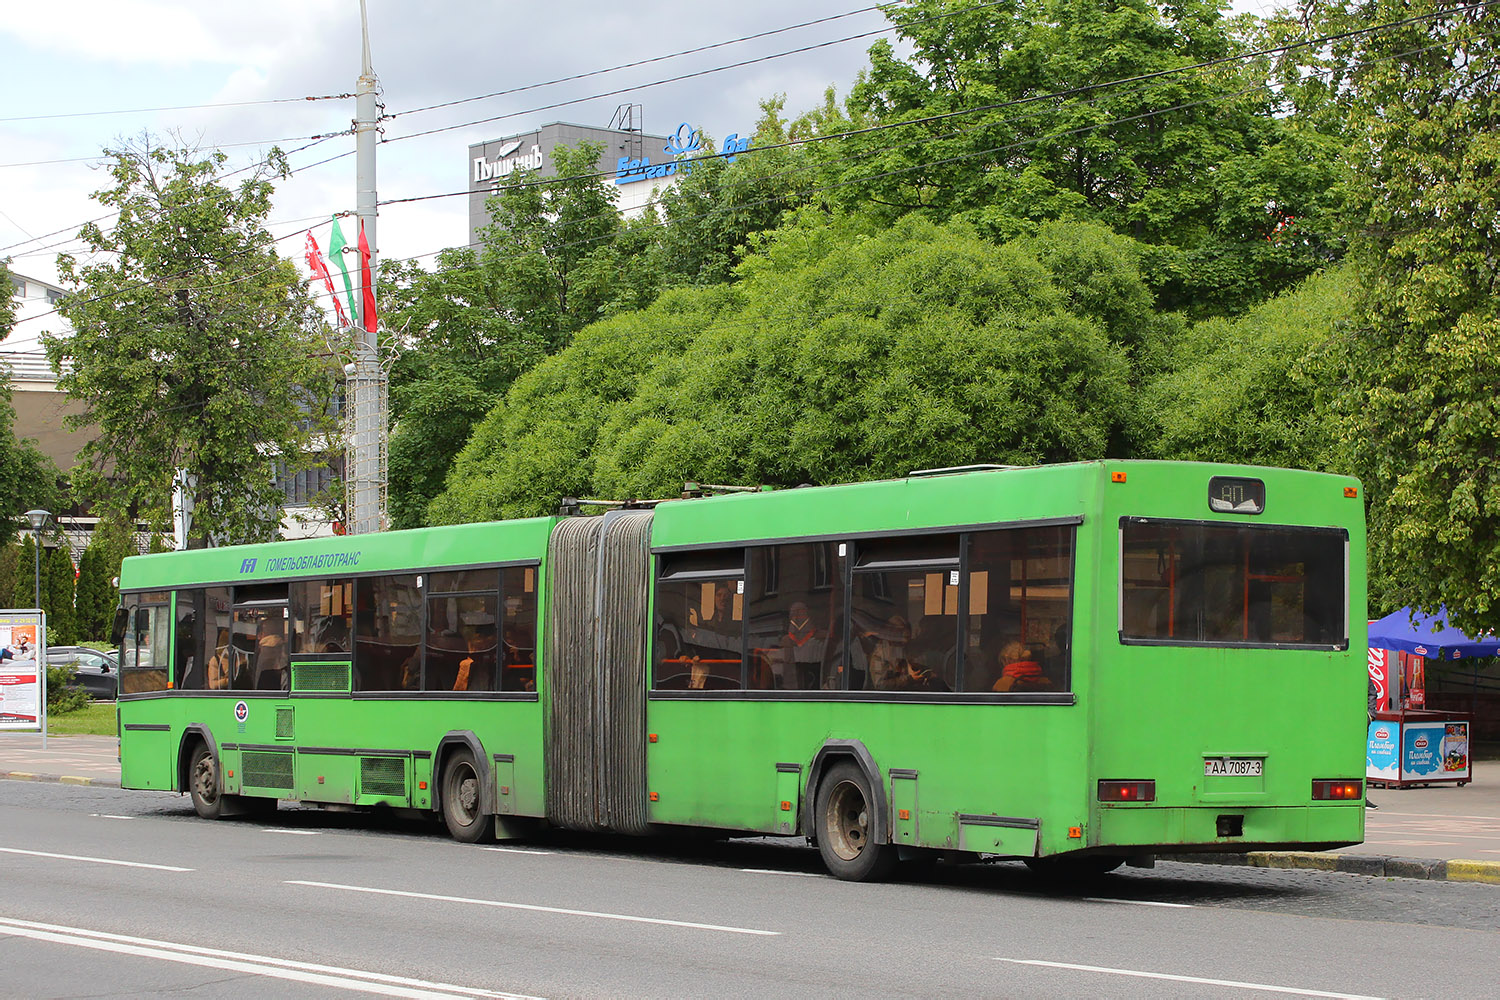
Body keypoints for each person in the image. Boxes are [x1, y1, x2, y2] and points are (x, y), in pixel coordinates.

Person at [865, 615, 911, 690]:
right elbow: (880, 685)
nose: (904, 642)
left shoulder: (899, 650)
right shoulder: (879, 654)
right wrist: (908, 679)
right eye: (902, 636)